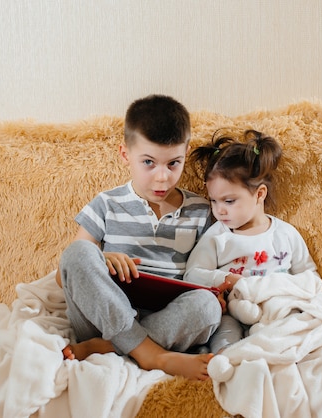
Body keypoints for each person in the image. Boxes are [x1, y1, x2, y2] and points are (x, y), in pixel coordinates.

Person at [55, 94, 222, 380]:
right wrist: (103, 259)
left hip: (166, 319)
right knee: (78, 252)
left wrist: (219, 292)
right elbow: (65, 274)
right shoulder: (106, 203)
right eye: (148, 162)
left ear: (186, 153)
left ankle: (110, 348)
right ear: (125, 155)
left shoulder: (202, 211)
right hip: (102, 317)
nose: (162, 178)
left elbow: (209, 270)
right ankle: (150, 354)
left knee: (207, 307)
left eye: (173, 164)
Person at [185, 129, 322, 353]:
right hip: (234, 310)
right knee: (226, 339)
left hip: (278, 309)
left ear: (259, 194)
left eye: (229, 201)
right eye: (213, 201)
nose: (219, 210)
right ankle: (231, 361)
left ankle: (274, 349)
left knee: (298, 330)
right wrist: (227, 278)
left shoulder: (285, 234)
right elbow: (193, 273)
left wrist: (321, 306)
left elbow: (308, 276)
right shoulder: (218, 236)